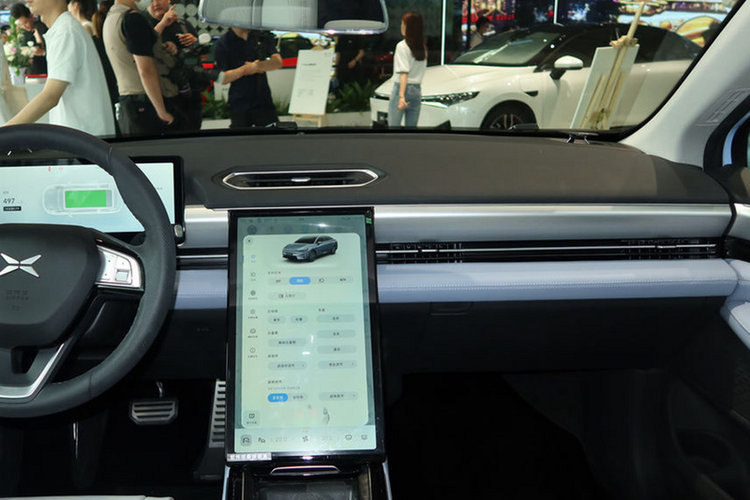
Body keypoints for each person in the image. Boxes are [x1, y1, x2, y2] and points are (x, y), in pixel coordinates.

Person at [5, 0, 115, 136]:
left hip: (83, 138)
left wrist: (5, 133)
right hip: (80, 136)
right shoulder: (62, 30)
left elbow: (50, 96)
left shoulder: (66, 32)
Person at [103, 0, 173, 135]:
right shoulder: (132, 19)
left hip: (127, 103)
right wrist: (161, 110)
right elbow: (146, 70)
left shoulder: (111, 18)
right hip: (144, 102)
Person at [142, 0, 203, 130]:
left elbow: (201, 57)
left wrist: (195, 43)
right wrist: (163, 24)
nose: (156, 3)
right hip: (161, 97)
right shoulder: (142, 25)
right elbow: (144, 48)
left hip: (188, 95)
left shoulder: (183, 25)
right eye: (151, 0)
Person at [214, 28, 283, 128]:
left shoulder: (261, 37)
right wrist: (245, 70)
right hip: (239, 103)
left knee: (272, 135)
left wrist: (258, 66)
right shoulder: (223, 42)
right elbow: (223, 78)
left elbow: (278, 62)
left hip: (264, 101)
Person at [388, 11, 426, 128]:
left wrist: (401, 97)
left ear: (409, 27)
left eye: (403, 24)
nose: (401, 26)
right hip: (416, 90)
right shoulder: (423, 48)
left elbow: (404, 73)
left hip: (402, 89)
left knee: (393, 128)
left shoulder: (402, 46)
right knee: (411, 130)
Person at [9, 3, 47, 74]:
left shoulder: (42, 28)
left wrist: (43, 52)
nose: (24, 26)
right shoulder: (21, 34)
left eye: (26, 22)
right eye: (20, 24)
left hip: (45, 71)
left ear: (31, 16)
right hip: (29, 73)